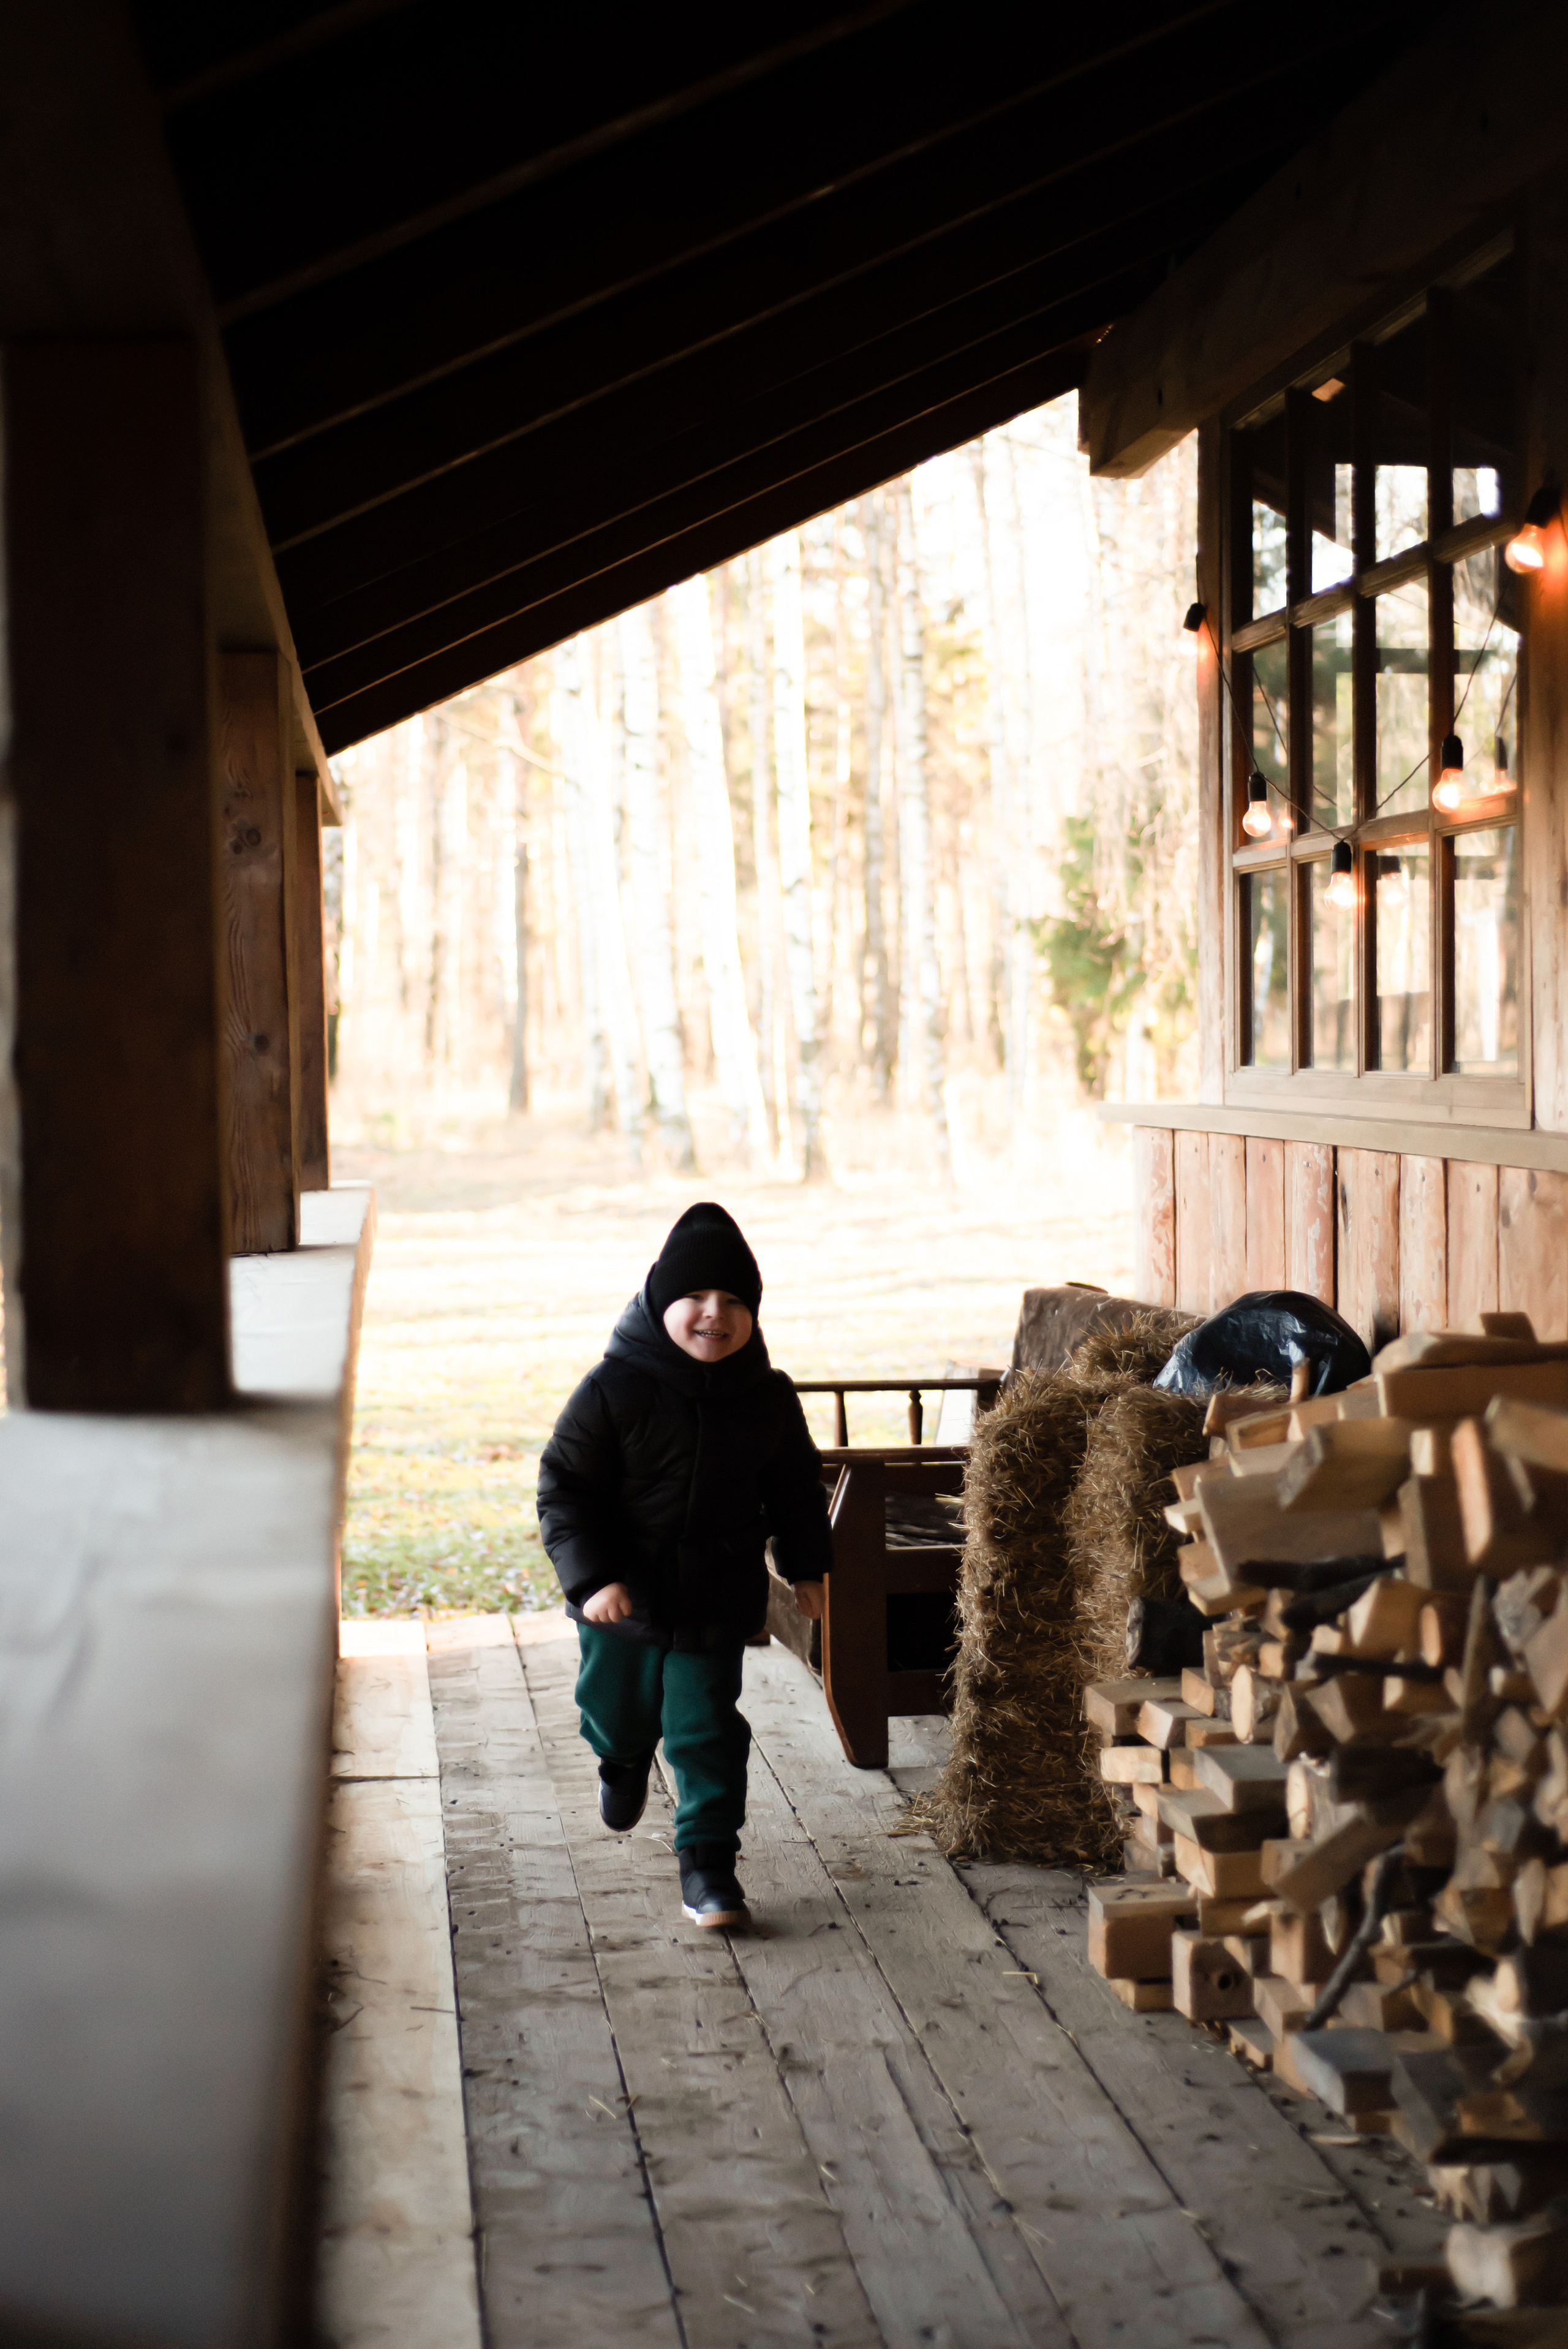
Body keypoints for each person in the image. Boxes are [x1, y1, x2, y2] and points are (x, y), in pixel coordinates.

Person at [536, 1201, 829, 1927]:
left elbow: (795, 1490)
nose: (713, 1314)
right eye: (694, 1297)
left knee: (704, 1728)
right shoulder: (613, 1389)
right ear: (660, 1303)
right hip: (622, 1600)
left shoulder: (767, 1399)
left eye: (734, 1301)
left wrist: (807, 1567)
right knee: (614, 1710)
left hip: (714, 1595)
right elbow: (564, 1488)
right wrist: (592, 1578)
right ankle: (621, 1759)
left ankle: (708, 1864)